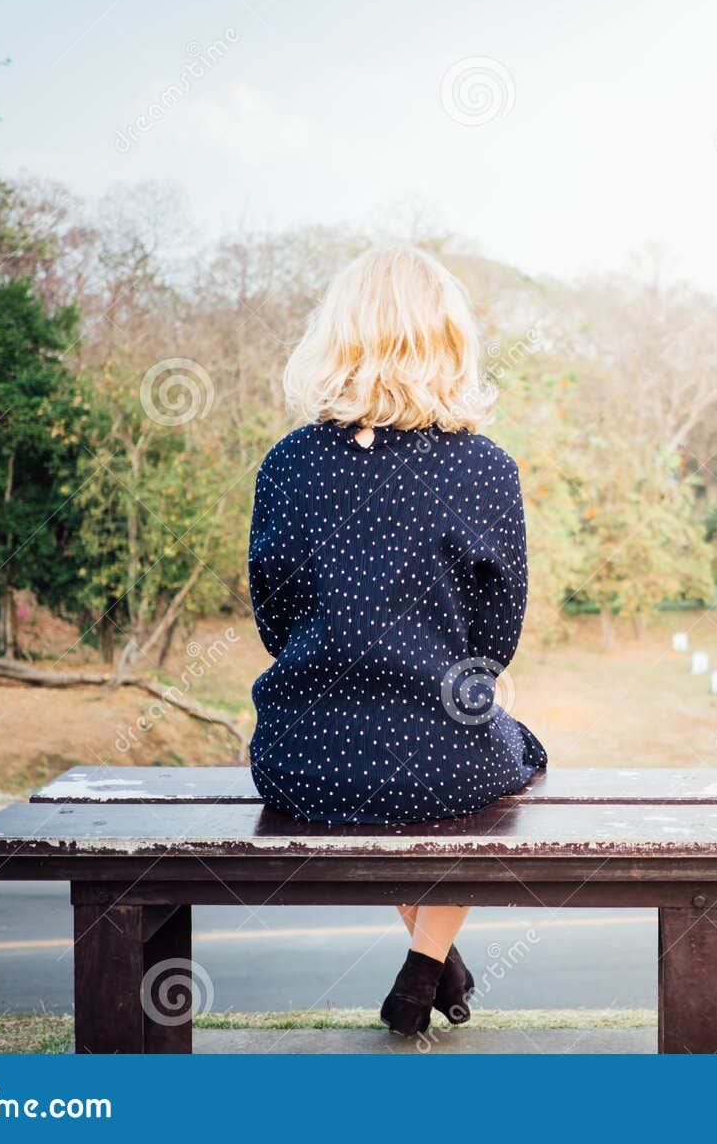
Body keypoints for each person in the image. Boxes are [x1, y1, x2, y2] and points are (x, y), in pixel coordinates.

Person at [246, 245, 547, 1035]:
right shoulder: (484, 466)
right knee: (477, 758)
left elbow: (275, 623)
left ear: (338, 337)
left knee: (380, 755)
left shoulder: (288, 463)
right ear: (449, 341)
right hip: (440, 751)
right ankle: (427, 963)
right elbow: (495, 638)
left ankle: (430, 959)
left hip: (302, 757)